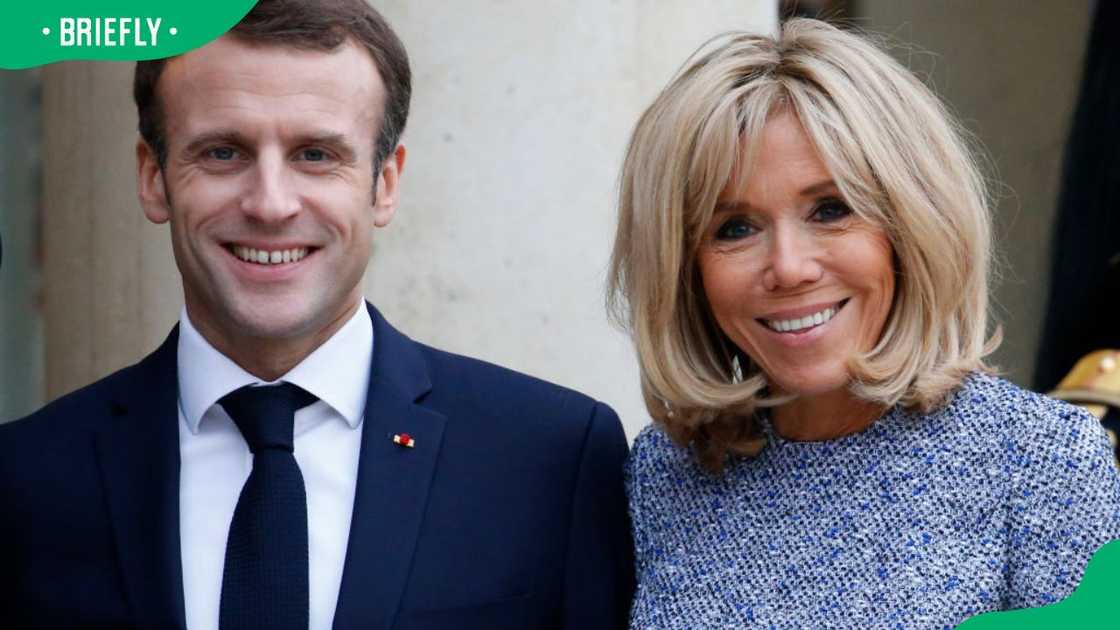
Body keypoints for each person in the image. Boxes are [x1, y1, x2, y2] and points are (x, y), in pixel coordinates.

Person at [0, 1, 633, 628]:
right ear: (153, 178)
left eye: (316, 155)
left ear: (384, 184)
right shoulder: (26, 476)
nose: (270, 204)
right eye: (223, 152)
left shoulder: (551, 459)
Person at [608, 17, 1120, 628]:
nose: (789, 268)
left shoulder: (1040, 457)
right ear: (683, 269)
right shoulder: (663, 473)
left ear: (912, 226)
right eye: (734, 229)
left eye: (831, 209)